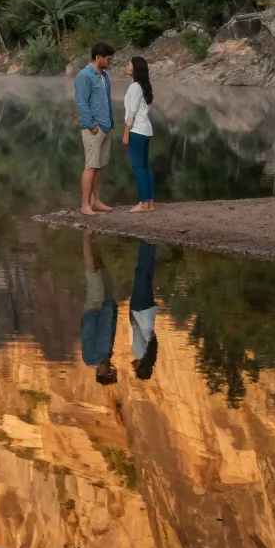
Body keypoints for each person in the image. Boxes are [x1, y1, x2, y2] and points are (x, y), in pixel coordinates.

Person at [74, 41, 116, 214]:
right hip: (94, 128)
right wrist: (92, 125)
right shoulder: (84, 76)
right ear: (98, 57)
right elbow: (81, 103)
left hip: (106, 127)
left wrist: (111, 123)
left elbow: (106, 100)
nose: (110, 62)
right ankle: (85, 205)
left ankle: (96, 201)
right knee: (90, 166)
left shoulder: (104, 76)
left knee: (99, 167)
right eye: (108, 59)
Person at [79, 231, 118, 385]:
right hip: (107, 307)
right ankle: (93, 240)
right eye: (114, 374)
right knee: (103, 270)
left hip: (95, 308)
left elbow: (87, 333)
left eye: (110, 374)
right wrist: (112, 309)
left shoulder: (90, 358)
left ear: (100, 372)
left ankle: (86, 235)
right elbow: (110, 329)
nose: (113, 371)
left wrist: (95, 311)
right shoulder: (108, 354)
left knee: (92, 272)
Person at [123, 54, 157, 213]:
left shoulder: (134, 87)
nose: (126, 66)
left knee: (138, 167)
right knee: (145, 166)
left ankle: (143, 203)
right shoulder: (140, 86)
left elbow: (132, 113)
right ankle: (150, 201)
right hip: (145, 130)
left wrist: (125, 133)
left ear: (135, 68)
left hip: (137, 130)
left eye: (129, 64)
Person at [129, 240, 159, 381]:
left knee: (148, 275)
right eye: (135, 369)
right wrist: (131, 313)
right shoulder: (139, 352)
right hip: (139, 310)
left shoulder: (151, 354)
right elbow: (135, 328)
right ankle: (146, 241)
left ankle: (152, 244)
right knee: (141, 272)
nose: (132, 367)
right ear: (139, 367)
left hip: (149, 312)